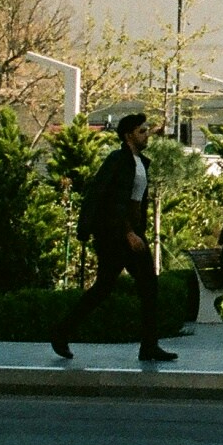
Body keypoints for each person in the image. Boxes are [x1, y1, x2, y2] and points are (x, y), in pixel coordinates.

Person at [54, 112, 173, 363]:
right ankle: (61, 333)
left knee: (146, 288)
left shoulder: (138, 161)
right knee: (105, 289)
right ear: (129, 135)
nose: (146, 135)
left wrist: (156, 130)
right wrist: (128, 232)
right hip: (116, 235)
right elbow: (111, 200)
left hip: (131, 232)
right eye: (142, 131)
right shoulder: (117, 160)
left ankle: (149, 346)